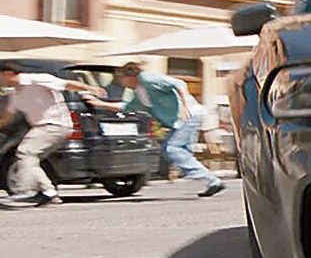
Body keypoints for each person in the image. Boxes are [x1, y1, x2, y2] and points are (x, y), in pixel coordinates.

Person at [86, 62, 225, 197]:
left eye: (121, 78)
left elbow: (179, 83)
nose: (120, 82)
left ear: (130, 76)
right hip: (179, 121)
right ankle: (210, 180)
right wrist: (100, 104)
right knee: (174, 150)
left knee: (172, 149)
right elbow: (126, 107)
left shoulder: (147, 78)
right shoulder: (139, 94)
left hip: (189, 115)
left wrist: (185, 104)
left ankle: (211, 180)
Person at [0, 62, 107, 207]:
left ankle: (26, 191)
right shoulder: (15, 93)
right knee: (31, 158)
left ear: (8, 74)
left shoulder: (37, 79)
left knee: (25, 152)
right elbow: (9, 114)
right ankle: (48, 193)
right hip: (44, 127)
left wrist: (90, 88)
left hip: (55, 125)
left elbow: (66, 84)